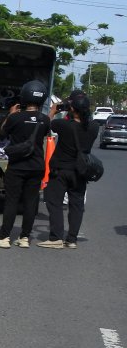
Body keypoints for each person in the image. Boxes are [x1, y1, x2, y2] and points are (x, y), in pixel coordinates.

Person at [0, 80, 49, 248]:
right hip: (36, 166)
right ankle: (24, 238)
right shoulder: (45, 120)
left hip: (17, 166)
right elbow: (44, 135)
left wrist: (10, 114)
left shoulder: (15, 118)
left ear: (24, 96)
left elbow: (2, 132)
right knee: (31, 202)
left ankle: (4, 238)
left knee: (12, 201)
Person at [40, 90, 97, 249]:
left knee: (54, 202)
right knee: (77, 205)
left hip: (61, 170)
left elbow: (45, 125)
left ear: (72, 108)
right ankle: (72, 239)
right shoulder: (94, 127)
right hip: (80, 171)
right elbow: (84, 122)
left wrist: (53, 110)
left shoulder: (62, 124)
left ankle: (56, 237)